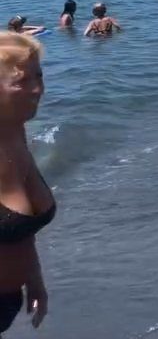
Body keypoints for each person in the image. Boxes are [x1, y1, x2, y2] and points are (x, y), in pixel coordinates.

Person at [0, 32, 55, 333]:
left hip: (8, 301)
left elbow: (20, 227)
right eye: (21, 81)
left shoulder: (15, 132)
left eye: (39, 76)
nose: (38, 90)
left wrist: (34, 279)